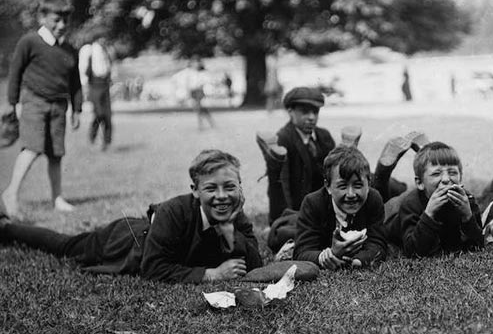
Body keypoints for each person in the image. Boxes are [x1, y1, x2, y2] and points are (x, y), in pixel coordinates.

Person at [0, 150, 262, 282]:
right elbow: (153, 268)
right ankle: (6, 227)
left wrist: (231, 233)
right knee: (67, 245)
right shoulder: (173, 211)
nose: (222, 196)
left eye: (230, 187)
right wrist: (211, 275)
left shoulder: (234, 212)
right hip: (125, 241)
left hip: (150, 232)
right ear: (194, 191)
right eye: (210, 188)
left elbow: (256, 262)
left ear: (239, 186)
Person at [1, 0, 83, 220]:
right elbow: (15, 72)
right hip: (34, 102)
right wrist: (14, 102)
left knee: (56, 154)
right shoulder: (29, 42)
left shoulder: (69, 49)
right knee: (32, 148)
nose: (62, 25)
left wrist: (77, 109)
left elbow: (75, 83)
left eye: (66, 20)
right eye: (56, 20)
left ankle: (57, 198)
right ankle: (11, 193)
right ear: (42, 17)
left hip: (59, 106)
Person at [293, 145, 387, 269]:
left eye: (358, 185)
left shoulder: (373, 199)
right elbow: (301, 252)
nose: (351, 194)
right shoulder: (313, 203)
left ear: (368, 183)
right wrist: (328, 256)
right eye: (342, 186)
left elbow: (378, 244)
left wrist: (357, 261)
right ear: (328, 187)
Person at [385, 141, 484, 257]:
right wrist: (429, 214)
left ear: (460, 178)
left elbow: (477, 246)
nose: (446, 179)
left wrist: (468, 216)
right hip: (392, 216)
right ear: (420, 183)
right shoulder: (411, 204)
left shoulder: (467, 200)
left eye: (452, 172)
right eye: (436, 174)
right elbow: (414, 252)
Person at [257, 86, 336, 228]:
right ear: (290, 112)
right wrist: (282, 219)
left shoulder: (324, 136)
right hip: (298, 211)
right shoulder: (283, 140)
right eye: (305, 112)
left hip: (325, 205)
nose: (311, 117)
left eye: (315, 112)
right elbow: (282, 185)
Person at [78, 29, 114, 150]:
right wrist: (85, 87)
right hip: (94, 84)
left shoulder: (107, 50)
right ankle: (93, 137)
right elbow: (83, 69)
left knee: (108, 115)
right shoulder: (89, 50)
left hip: (105, 85)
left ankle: (106, 142)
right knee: (99, 113)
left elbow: (108, 66)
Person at [187, 58, 214, 130]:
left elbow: (204, 82)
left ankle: (201, 124)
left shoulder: (202, 73)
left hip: (199, 91)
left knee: (199, 109)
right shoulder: (191, 72)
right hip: (194, 92)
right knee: (200, 109)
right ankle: (208, 122)